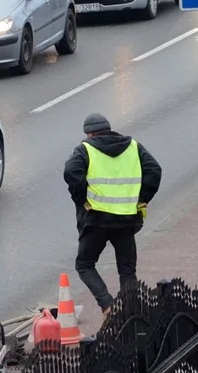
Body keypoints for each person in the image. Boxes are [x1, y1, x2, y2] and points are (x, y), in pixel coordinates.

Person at [63, 113, 162, 317]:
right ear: (109, 129)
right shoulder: (133, 146)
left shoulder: (85, 149)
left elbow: (71, 172)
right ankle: (131, 313)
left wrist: (82, 199)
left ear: (90, 133)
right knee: (127, 271)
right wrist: (142, 198)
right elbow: (154, 170)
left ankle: (108, 305)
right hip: (126, 219)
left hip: (97, 219)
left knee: (84, 264)